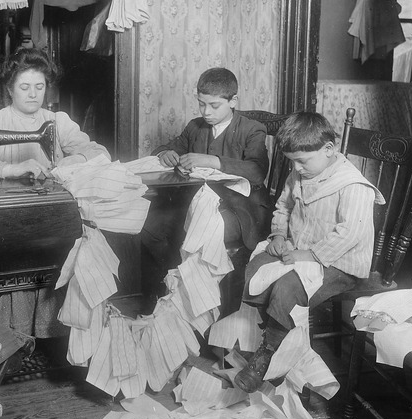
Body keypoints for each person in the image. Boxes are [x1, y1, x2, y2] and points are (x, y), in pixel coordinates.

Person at [233, 112, 384, 393]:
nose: (298, 168)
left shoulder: (352, 185)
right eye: (293, 162)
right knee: (255, 268)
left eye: (303, 161)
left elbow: (350, 233)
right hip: (300, 250)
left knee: (288, 286)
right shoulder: (301, 173)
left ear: (329, 150)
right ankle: (271, 335)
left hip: (340, 264)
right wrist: (278, 234)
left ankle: (268, 354)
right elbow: (284, 206)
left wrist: (308, 256)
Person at [0, 47, 110, 337]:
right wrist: (11, 169)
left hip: (50, 215)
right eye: (25, 87)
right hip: (3, 218)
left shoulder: (58, 122)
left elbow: (98, 152)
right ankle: (13, 336)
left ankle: (58, 336)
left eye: (39, 87)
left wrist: (71, 161)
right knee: (15, 255)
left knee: (75, 251)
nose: (33, 94)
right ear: (9, 89)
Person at [141, 68, 272, 306]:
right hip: (198, 203)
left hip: (242, 210)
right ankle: (179, 288)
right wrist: (166, 153)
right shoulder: (196, 127)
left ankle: (206, 301)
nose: (206, 112)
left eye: (214, 105)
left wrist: (213, 161)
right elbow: (163, 148)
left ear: (233, 101)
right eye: (201, 104)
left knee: (194, 229)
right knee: (151, 227)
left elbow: (257, 171)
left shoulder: (252, 129)